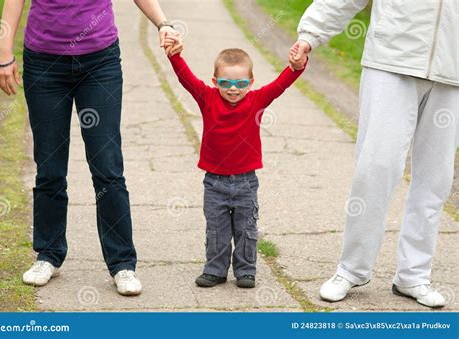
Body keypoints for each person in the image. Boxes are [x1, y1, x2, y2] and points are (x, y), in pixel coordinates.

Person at [0, 0, 181, 296]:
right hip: (44, 63)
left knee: (107, 166)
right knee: (49, 166)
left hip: (100, 63)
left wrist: (163, 23)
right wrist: (5, 52)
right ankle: (48, 255)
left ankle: (122, 263)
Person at [291, 0, 458, 307]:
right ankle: (351, 269)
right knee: (375, 168)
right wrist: (310, 33)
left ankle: (414, 276)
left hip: (452, 74)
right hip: (390, 62)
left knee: (435, 180)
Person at [164, 36, 307, 288]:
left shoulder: (257, 100)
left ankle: (245, 271)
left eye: (240, 83)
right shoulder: (207, 98)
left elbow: (280, 85)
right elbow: (186, 79)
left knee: (246, 230)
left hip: (246, 183)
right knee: (216, 231)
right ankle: (215, 270)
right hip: (214, 183)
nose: (233, 88)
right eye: (225, 82)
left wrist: (296, 67)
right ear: (214, 82)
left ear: (250, 82)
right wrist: (174, 56)